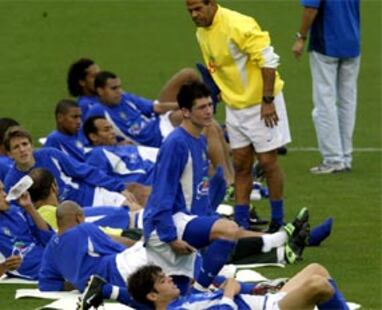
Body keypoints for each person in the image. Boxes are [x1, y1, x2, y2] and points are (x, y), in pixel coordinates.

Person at [143, 81, 307, 296]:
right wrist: (169, 236)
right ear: (184, 112)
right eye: (201, 107)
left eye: (210, 105)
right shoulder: (176, 143)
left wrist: (209, 217)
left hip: (185, 222)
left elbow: (198, 192)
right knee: (227, 231)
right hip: (167, 225)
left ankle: (275, 241)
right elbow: (162, 193)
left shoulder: (199, 140)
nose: (209, 111)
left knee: (177, 301)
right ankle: (272, 243)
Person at [185, 0, 291, 233]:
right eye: (190, 10)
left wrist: (267, 101)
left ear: (211, 4)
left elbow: (268, 60)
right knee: (241, 163)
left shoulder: (238, 24)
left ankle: (278, 221)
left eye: (198, 9)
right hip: (235, 106)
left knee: (267, 162)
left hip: (261, 104)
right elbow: (214, 68)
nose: (194, 15)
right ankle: (242, 222)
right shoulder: (202, 32)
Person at [87, 69, 235, 185]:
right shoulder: (97, 111)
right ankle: (227, 179)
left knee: (189, 75)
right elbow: (90, 137)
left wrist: (186, 105)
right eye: (114, 88)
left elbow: (154, 107)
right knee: (209, 126)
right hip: (156, 140)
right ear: (100, 91)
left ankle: (231, 174)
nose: (119, 91)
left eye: (119, 87)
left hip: (158, 123)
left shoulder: (124, 98)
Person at [38, 201, 150, 308]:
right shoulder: (84, 229)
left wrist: (78, 283)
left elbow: (46, 283)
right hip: (117, 272)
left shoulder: (51, 247)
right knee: (153, 248)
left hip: (107, 279)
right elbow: (118, 250)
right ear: (79, 217)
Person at [292, 0, 360, 174]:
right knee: (348, 102)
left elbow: (310, 8)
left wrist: (301, 37)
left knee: (325, 102)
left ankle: (333, 159)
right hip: (352, 42)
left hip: (327, 44)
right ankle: (345, 156)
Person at [3, 126, 141, 210]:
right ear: (9, 154)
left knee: (136, 211)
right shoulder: (12, 182)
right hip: (68, 218)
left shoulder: (51, 154)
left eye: (24, 144)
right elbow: (16, 211)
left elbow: (85, 171)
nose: (22, 150)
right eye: (16, 147)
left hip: (93, 196)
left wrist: (118, 187)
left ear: (31, 146)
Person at [124, 263, 349, 310]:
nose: (170, 279)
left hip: (264, 302)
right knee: (319, 286)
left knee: (316, 269)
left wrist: (249, 288)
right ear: (153, 296)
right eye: (163, 280)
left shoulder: (183, 300)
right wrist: (230, 292)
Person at [0, 176, 53, 280]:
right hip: (38, 269)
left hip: (53, 254)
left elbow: (48, 238)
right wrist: (4, 266)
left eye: (3, 190)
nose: (4, 194)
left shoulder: (14, 212)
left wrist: (29, 207)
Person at [27, 167, 143, 241]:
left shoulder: (40, 216)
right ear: (54, 187)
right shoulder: (55, 213)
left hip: (124, 225)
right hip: (126, 229)